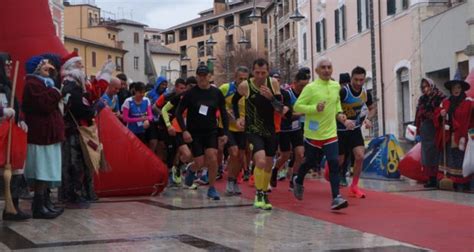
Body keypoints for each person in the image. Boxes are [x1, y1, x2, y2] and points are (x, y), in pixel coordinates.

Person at [292, 57, 349, 210]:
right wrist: (314, 109)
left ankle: (336, 197)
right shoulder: (310, 88)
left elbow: (336, 103)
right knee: (310, 162)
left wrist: (341, 115)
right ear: (317, 71)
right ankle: (299, 179)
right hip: (314, 133)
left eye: (329, 67)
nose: (326, 70)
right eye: (323, 67)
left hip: (330, 132)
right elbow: (297, 106)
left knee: (334, 162)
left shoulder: (336, 85)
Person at [232, 58, 284, 210]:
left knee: (268, 164)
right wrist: (238, 118)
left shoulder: (273, 83)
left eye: (263, 72)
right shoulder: (245, 85)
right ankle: (259, 193)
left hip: (270, 129)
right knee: (260, 161)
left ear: (268, 72)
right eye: (257, 72)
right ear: (252, 72)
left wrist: (271, 97)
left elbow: (280, 108)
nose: (260, 75)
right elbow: (234, 102)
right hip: (253, 129)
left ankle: (264, 194)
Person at [176, 65, 229, 200]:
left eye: (204, 75)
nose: (202, 78)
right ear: (197, 76)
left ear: (209, 76)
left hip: (211, 131)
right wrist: (184, 131)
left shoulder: (216, 93)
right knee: (199, 162)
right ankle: (192, 169)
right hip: (195, 133)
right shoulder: (190, 93)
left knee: (212, 157)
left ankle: (212, 188)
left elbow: (223, 113)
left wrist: (224, 133)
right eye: (199, 75)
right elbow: (178, 113)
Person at [23, 55, 64, 219]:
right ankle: (38, 206)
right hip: (41, 136)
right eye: (44, 66)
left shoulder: (45, 84)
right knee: (42, 170)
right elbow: (45, 105)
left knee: (47, 170)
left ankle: (45, 203)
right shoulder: (32, 84)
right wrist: (55, 92)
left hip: (49, 135)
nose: (49, 68)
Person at [61, 51, 102, 208]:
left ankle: (78, 193)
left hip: (76, 129)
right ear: (71, 67)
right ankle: (74, 195)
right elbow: (79, 108)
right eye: (79, 64)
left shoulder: (74, 85)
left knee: (80, 163)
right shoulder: (71, 86)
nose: (82, 66)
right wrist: (95, 109)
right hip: (74, 130)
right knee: (75, 164)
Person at [0, 52, 31, 221]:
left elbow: (16, 107)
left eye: (11, 64)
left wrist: (20, 120)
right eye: (6, 64)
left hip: (10, 133)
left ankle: (12, 207)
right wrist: (2, 112)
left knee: (14, 170)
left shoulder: (7, 86)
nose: (10, 67)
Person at [337, 66, 376, 198]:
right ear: (351, 78)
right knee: (340, 160)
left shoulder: (365, 93)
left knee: (360, 156)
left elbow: (372, 108)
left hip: (354, 129)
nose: (359, 83)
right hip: (340, 129)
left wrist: (368, 119)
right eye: (356, 80)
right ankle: (329, 170)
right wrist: (344, 120)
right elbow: (334, 109)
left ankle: (354, 186)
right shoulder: (343, 91)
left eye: (361, 80)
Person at [272, 70, 310, 190]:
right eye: (301, 86)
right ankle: (275, 170)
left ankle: (294, 179)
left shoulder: (307, 95)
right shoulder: (287, 94)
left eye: (306, 85)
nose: (304, 88)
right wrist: (302, 113)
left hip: (296, 128)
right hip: (284, 128)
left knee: (300, 154)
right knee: (285, 155)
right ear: (294, 83)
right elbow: (284, 114)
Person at [434, 79, 473, 191]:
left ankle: (461, 183)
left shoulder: (468, 102)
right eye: (454, 88)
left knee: (460, 160)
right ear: (451, 89)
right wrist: (441, 114)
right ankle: (448, 181)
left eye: (458, 88)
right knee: (448, 159)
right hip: (447, 135)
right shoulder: (446, 102)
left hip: (462, 137)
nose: (456, 90)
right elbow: (437, 115)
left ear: (462, 89)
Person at [219, 66, 250, 196]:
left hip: (242, 127)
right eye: (240, 78)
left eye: (245, 79)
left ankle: (234, 180)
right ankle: (229, 182)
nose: (242, 81)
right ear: (235, 78)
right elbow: (218, 104)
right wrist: (228, 114)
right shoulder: (225, 88)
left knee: (241, 156)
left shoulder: (250, 90)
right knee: (234, 152)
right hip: (227, 127)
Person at [414, 78, 445, 188]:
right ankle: (430, 179)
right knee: (426, 155)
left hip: (436, 128)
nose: (425, 89)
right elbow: (418, 114)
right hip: (425, 129)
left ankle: (438, 178)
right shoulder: (422, 99)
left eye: (427, 86)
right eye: (423, 87)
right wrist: (416, 129)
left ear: (431, 85)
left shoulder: (440, 96)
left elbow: (443, 110)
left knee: (436, 153)